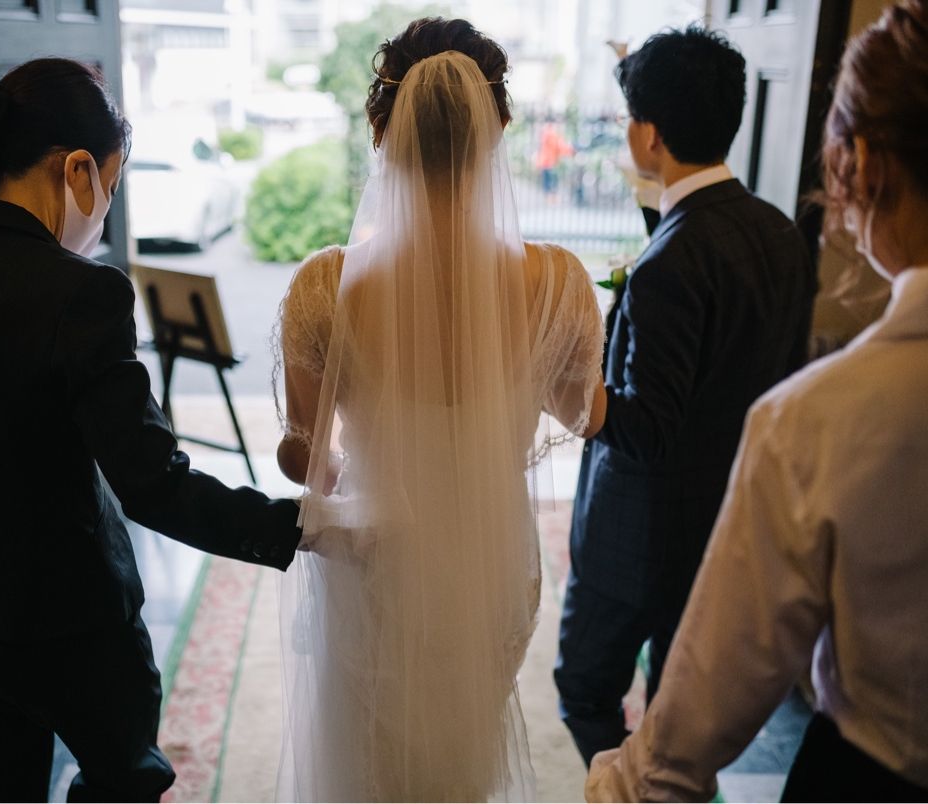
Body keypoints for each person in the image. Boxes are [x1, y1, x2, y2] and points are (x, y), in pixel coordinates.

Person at [0, 58, 302, 802]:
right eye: (111, 184)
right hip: (67, 621)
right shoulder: (81, 294)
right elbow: (151, 485)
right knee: (123, 785)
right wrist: (291, 526)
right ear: (76, 170)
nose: (103, 210)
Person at [586, 3, 928, 798]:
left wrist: (620, 786)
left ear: (860, 162)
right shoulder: (776, 234)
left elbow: (720, 682)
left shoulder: (825, 415)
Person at [273, 18, 607, 801]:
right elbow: (583, 417)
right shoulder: (559, 283)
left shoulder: (324, 287)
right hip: (493, 561)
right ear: (498, 129)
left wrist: (347, 462)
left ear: (381, 131)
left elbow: (302, 457)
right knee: (463, 745)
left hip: (378, 557)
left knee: (374, 755)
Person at [554, 25, 819, 766]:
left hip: (637, 537)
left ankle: (633, 788)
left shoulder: (669, 265)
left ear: (649, 135)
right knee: (678, 697)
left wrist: (567, 388)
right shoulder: (779, 234)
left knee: (583, 691)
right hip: (725, 516)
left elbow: (647, 427)